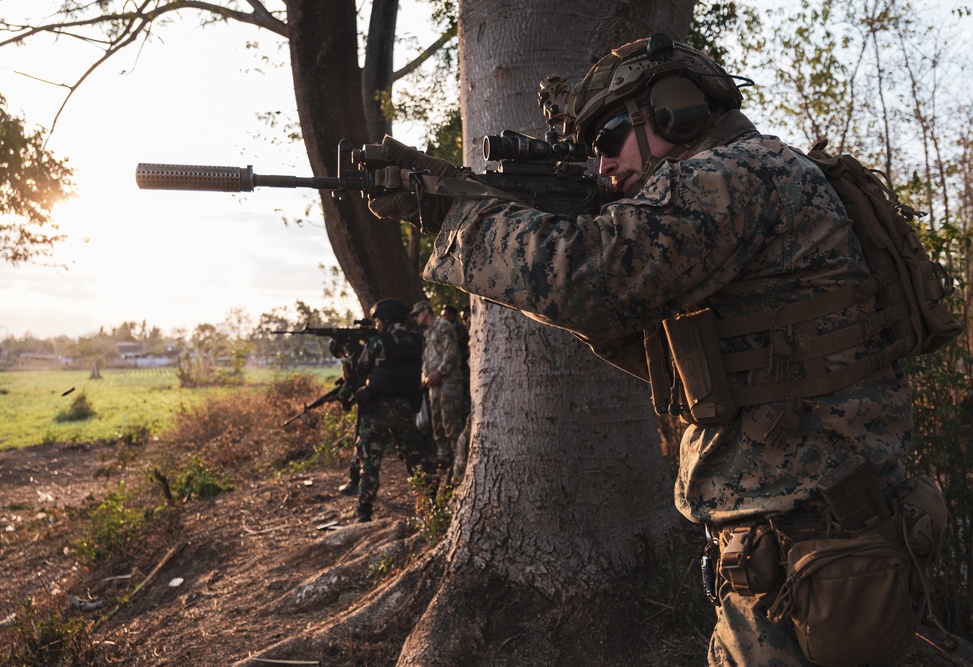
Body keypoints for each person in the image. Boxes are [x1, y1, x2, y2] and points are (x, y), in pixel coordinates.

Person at [367, 34, 922, 665]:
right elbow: (653, 340)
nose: (601, 165)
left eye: (607, 140)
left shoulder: (734, 175)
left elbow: (596, 278)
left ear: (673, 110)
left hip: (818, 552)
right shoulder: (755, 178)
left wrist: (456, 216)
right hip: (801, 543)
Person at [349, 298, 433, 523]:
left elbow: (360, 367)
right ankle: (431, 504)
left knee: (370, 461)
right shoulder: (418, 340)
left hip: (377, 409)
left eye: (377, 320)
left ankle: (364, 513)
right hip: (405, 408)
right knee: (417, 457)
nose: (375, 324)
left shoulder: (379, 342)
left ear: (386, 320)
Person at [410, 300, 466, 479]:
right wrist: (424, 377)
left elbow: (451, 352)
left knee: (451, 420)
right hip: (434, 385)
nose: (415, 318)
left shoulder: (443, 326)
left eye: (417, 313)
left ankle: (459, 458)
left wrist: (440, 372)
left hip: (449, 382)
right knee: (437, 421)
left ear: (426, 311)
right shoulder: (427, 333)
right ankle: (444, 457)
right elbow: (426, 360)